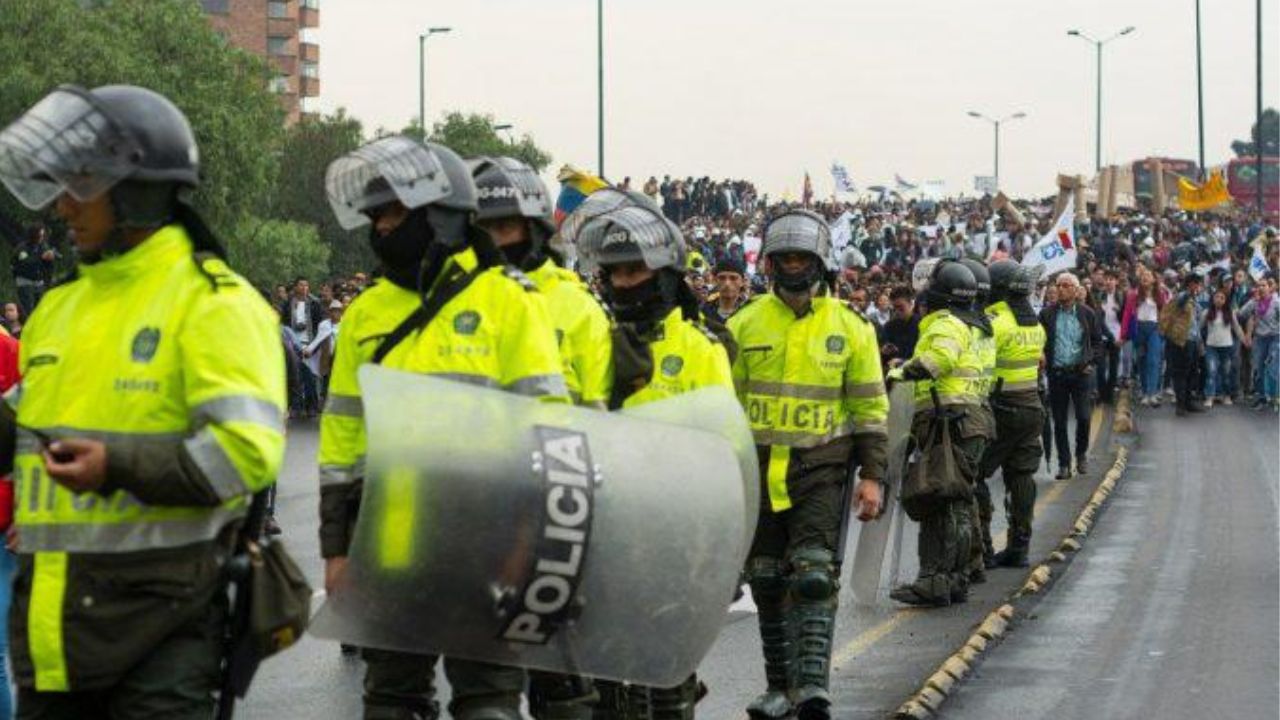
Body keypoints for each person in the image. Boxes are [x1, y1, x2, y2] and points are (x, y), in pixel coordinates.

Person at [0, 83, 286, 717]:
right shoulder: (61, 306)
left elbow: (246, 457)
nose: (63, 208)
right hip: (51, 635)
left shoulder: (215, 303)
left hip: (163, 637)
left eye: (81, 187)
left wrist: (117, 465)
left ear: (135, 191)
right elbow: (20, 423)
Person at [317, 135, 567, 720]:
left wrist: (529, 546)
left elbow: (547, 432)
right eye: (376, 216)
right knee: (390, 705)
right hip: (391, 546)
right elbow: (343, 442)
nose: (381, 228)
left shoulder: (509, 301)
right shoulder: (364, 314)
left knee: (488, 707)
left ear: (443, 214)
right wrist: (336, 549)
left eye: (394, 213)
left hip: (491, 545)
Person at [576, 203, 734, 720]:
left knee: (665, 673)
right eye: (616, 272)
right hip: (602, 528)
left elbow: (723, 451)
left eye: (635, 270)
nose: (624, 282)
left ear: (665, 274)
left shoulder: (699, 347)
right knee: (603, 677)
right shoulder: (592, 341)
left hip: (674, 533)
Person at [727, 209, 887, 720]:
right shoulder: (742, 323)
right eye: (784, 258)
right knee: (767, 577)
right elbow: (721, 403)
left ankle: (812, 687)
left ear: (820, 262)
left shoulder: (852, 328)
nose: (793, 266)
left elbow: (870, 408)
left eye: (802, 257)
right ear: (771, 265)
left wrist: (873, 476)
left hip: (822, 469)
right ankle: (779, 687)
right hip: (756, 471)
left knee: (814, 574)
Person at [469, 155, 611, 719]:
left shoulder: (576, 305)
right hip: (477, 508)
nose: (494, 240)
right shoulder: (457, 297)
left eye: (504, 227)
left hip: (556, 510)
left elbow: (596, 415)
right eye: (482, 229)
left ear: (533, 229)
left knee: (563, 683)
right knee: (486, 687)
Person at [887, 259, 987, 607]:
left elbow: (937, 361)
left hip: (949, 421)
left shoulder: (945, 324)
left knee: (937, 501)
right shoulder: (971, 325)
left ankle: (934, 580)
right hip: (968, 419)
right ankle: (954, 579)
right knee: (956, 502)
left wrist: (899, 374)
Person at [980, 260, 1046, 568]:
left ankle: (981, 548)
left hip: (1001, 409)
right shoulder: (1035, 324)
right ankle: (1020, 546)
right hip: (1032, 406)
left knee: (974, 474)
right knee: (1021, 476)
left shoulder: (994, 321)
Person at [956, 258, 996, 577]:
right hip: (982, 411)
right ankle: (981, 554)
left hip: (964, 415)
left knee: (960, 492)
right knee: (973, 486)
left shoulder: (963, 330)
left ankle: (971, 561)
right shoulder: (988, 328)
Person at [1040, 273, 1101, 479]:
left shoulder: (1087, 314)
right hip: (1057, 374)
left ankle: (1081, 454)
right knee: (1059, 420)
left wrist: (1090, 362)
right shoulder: (1047, 314)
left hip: (1080, 375)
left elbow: (1098, 343)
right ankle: (1064, 464)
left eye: (1066, 286)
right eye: (1058, 285)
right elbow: (1040, 341)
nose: (1061, 289)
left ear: (1076, 290)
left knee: (1083, 417)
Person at [1159, 273, 1206, 416]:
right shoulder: (1182, 297)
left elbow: (1195, 324)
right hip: (1180, 340)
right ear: (1190, 284)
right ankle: (1180, 405)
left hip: (1192, 341)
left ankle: (1188, 402)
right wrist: (1188, 294)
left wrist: (1199, 343)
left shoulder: (1194, 300)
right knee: (1180, 373)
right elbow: (1177, 306)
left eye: (1199, 284)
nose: (1199, 287)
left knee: (1192, 372)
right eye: (1196, 283)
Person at [1121, 267, 1168, 407]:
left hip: (1154, 329)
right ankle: (1144, 390)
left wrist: (1163, 330)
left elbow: (1165, 314)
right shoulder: (1133, 295)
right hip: (1138, 329)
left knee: (1153, 360)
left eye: (1148, 275)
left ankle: (1152, 393)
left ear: (1154, 279)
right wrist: (1123, 335)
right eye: (1143, 276)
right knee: (1141, 361)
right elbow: (1127, 316)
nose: (1145, 277)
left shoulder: (1160, 294)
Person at [1238, 274, 1279, 410]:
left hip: (1275, 338)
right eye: (1259, 286)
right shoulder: (1255, 302)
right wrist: (1252, 301)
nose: (1261, 288)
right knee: (1259, 369)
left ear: (1269, 288)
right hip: (1260, 339)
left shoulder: (1276, 302)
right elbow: (1241, 314)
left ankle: (1274, 397)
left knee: (1272, 368)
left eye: (1264, 285)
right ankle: (1262, 398)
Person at [1202, 289, 1243, 407]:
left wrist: (1244, 339)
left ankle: (1227, 395)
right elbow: (1199, 327)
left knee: (1226, 372)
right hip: (1211, 346)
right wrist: (1199, 343)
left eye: (1222, 298)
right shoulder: (1207, 312)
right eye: (1217, 297)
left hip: (1227, 347)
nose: (1219, 300)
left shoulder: (1230, 312)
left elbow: (1236, 328)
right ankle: (1210, 396)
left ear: (1225, 300)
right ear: (1213, 299)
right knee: (1211, 371)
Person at [10, 224, 56, 318]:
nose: (41, 238)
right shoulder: (22, 248)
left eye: (43, 236)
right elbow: (26, 263)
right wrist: (41, 257)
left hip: (38, 281)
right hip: (25, 281)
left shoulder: (43, 246)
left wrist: (50, 259)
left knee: (40, 308)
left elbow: (48, 266)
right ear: (33, 236)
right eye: (40, 236)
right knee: (28, 309)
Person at [701, 256, 747, 326]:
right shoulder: (703, 312)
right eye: (722, 278)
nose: (727, 283)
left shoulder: (750, 312)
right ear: (715, 281)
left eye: (733, 278)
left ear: (742, 282)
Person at [880, 285, 919, 368]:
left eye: (901, 308)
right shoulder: (889, 327)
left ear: (911, 304)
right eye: (894, 308)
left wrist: (903, 362)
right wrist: (884, 352)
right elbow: (881, 359)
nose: (897, 311)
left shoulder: (922, 325)